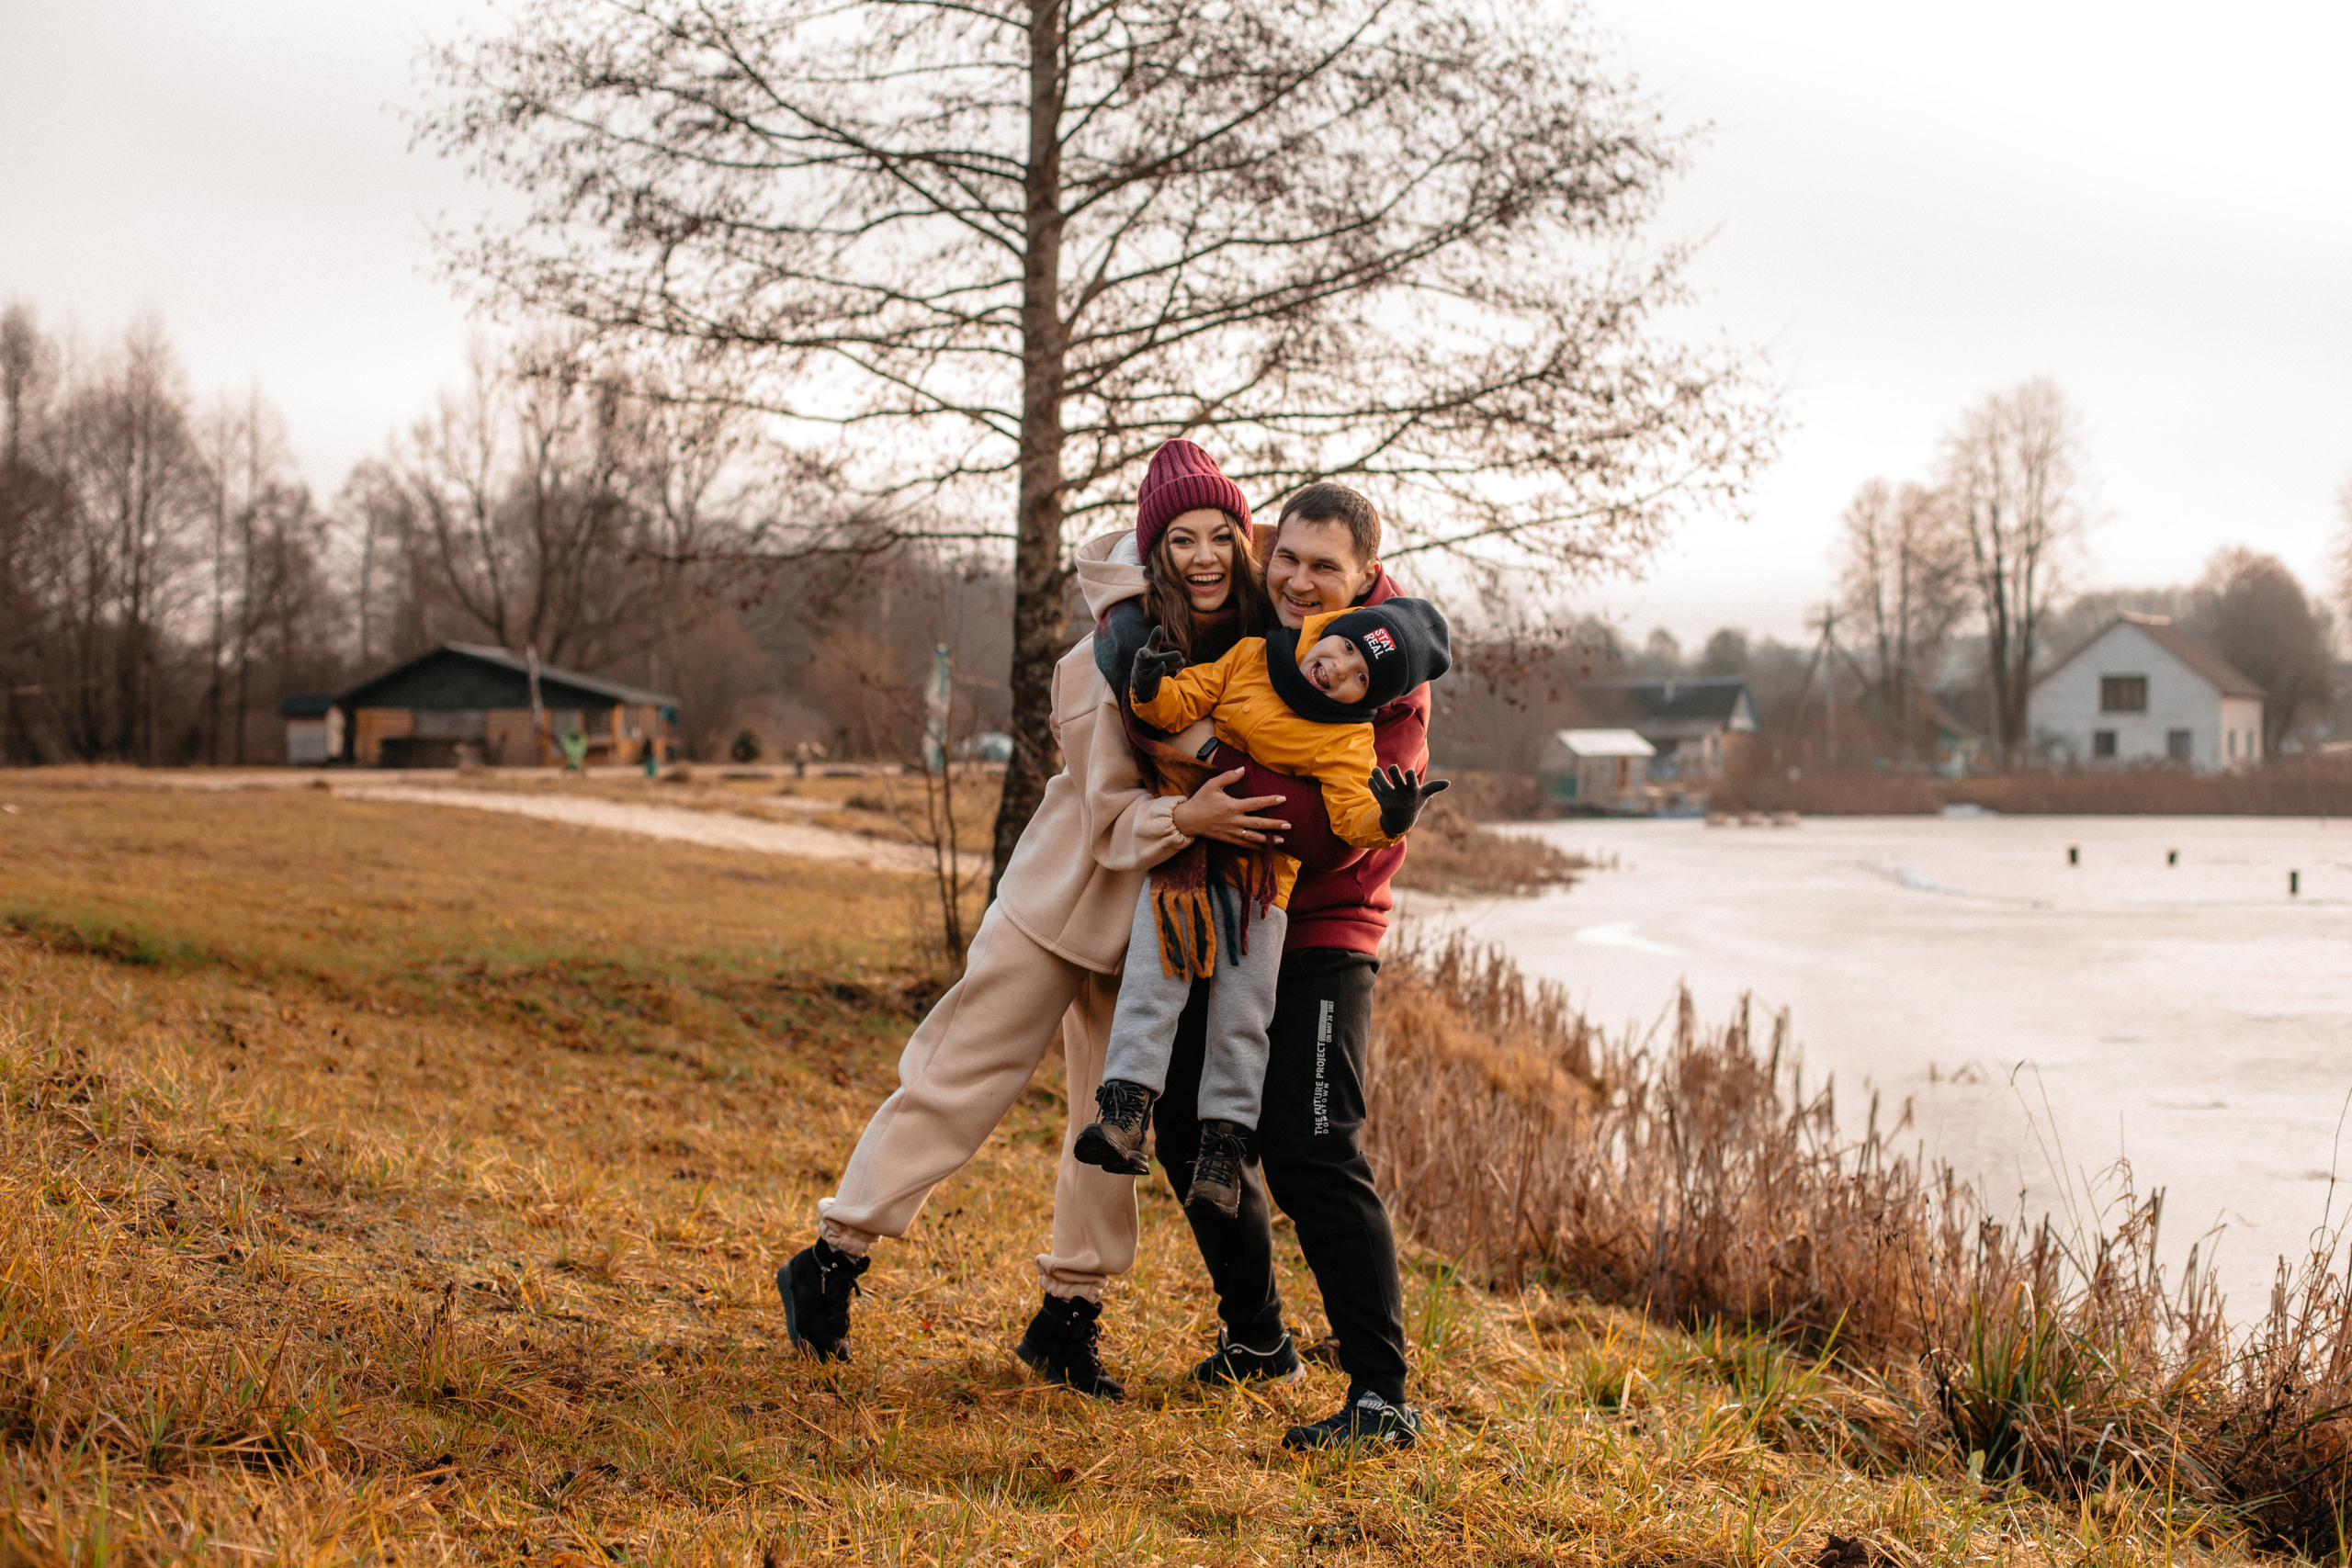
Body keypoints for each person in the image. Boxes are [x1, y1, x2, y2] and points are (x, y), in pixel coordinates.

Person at [773, 439, 1295, 1398]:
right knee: (954, 1086)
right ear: (1154, 551)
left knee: (1110, 1136)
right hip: (1060, 904)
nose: (1208, 556)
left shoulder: (1259, 647)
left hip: (1154, 939)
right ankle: (830, 1261)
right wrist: (1193, 815)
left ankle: (1066, 1321)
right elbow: (1103, 816)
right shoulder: (1101, 661)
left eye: (1224, 534)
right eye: (1183, 538)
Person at [1074, 481, 1439, 1450]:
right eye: (1290, 559)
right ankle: (1257, 1338)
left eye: (1326, 571)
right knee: (1192, 1130)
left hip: (1326, 925)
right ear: (1268, 546)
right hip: (1226, 911)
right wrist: (1174, 720)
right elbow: (1134, 648)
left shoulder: (1387, 674)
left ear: (1363, 578)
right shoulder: (1244, 611)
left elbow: (1321, 839)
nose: (1300, 582)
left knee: (1311, 1145)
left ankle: (1380, 1395)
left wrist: (1207, 760)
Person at [1073, 596, 1452, 1219]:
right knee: (1151, 982)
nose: (1340, 669)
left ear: (1367, 699)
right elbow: (1179, 703)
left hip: (1261, 890)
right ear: (1330, 632)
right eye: (1346, 649)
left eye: (1361, 678)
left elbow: (1346, 815)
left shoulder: (1346, 737)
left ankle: (1224, 1150)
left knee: (1241, 1021)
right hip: (1188, 865)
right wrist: (1148, 686)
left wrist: (1388, 819)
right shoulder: (1252, 658)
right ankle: (1123, 1113)